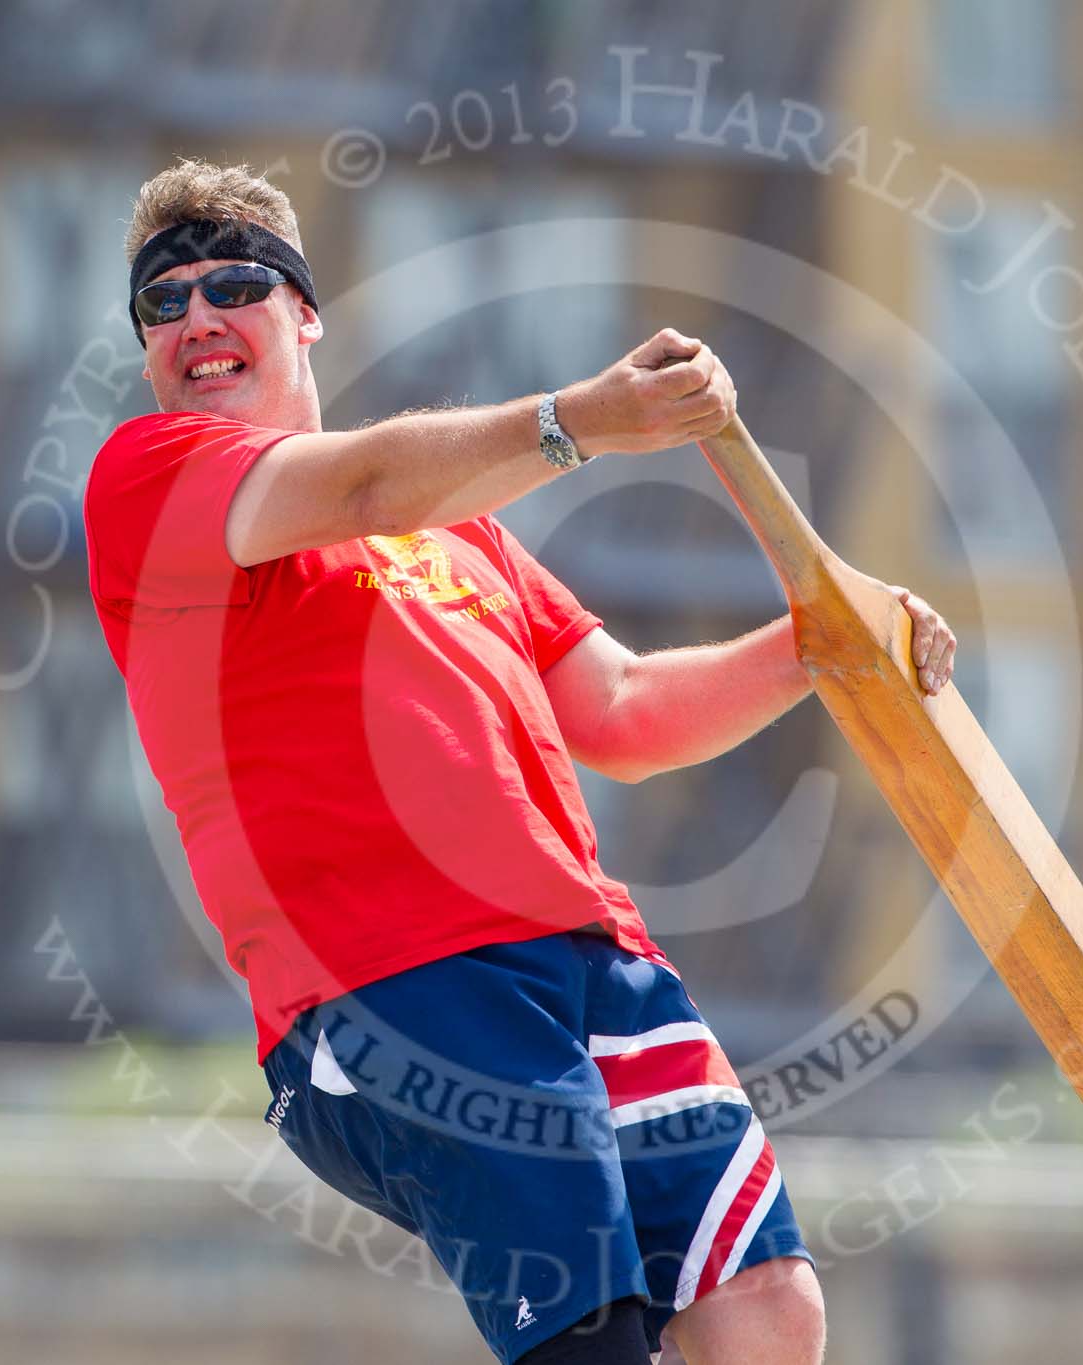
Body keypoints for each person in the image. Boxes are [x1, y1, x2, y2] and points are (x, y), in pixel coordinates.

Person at [82, 159, 957, 1365]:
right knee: (591, 1341)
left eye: (232, 282)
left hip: (589, 959)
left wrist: (821, 645)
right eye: (162, 303)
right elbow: (364, 477)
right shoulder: (149, 478)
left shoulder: (456, 523)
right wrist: (581, 421)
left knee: (762, 1309)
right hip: (389, 986)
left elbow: (626, 711)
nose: (196, 319)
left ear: (302, 311)